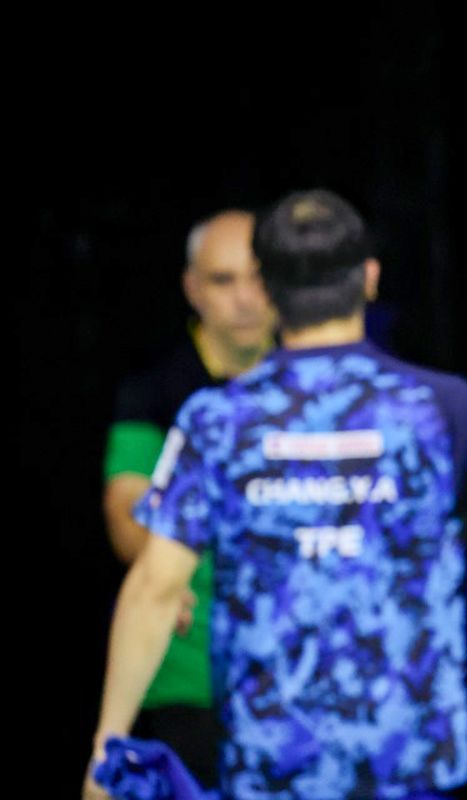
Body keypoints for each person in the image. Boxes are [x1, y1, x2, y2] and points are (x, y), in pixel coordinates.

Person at [85, 188, 467, 799]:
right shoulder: (443, 404)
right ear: (369, 277)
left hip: (270, 764)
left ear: (268, 289)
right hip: (408, 762)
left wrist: (105, 750)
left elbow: (154, 588)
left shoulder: (216, 419)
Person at [101, 208, 275, 788]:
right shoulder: (156, 392)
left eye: (259, 277)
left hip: (298, 680)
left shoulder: (317, 386)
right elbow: (127, 511)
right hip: (190, 680)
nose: (245, 299)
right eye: (224, 280)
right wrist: (161, 573)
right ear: (192, 288)